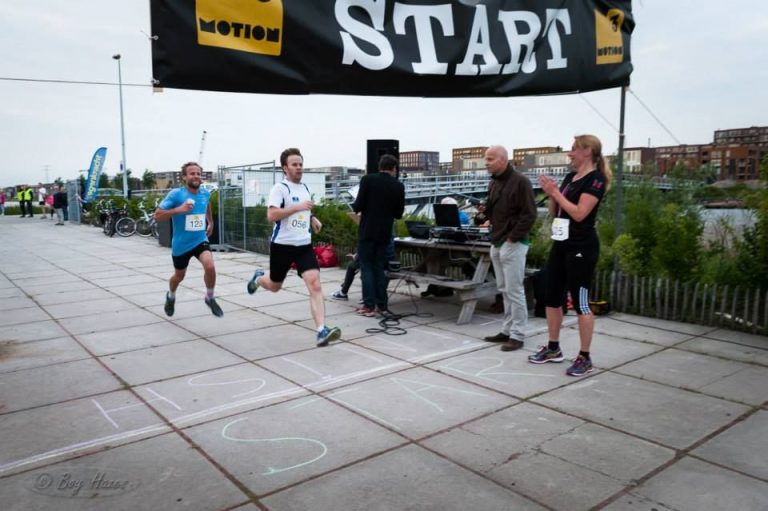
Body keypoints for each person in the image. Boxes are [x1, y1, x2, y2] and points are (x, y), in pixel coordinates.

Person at [529, 134, 610, 376]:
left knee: (581, 302)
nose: (570, 154)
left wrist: (557, 192)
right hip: (561, 244)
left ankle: (585, 356)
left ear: (587, 151)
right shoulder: (569, 177)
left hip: (581, 247)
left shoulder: (596, 180)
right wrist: (552, 193)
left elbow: (579, 214)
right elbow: (558, 213)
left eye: (574, 149)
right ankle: (553, 347)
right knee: (551, 297)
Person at [246, 148, 341, 347]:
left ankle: (321, 331)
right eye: (294, 164)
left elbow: (302, 211)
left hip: (304, 245)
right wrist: (298, 208)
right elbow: (272, 216)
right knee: (274, 286)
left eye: (300, 164)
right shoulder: (279, 189)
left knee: (315, 284)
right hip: (282, 246)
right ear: (285, 168)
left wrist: (313, 218)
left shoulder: (304, 187)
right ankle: (258, 278)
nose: (299, 168)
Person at [482, 145, 537, 351]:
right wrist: (483, 215)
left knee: (514, 291)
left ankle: (518, 334)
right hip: (497, 240)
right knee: (504, 290)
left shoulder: (521, 182)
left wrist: (513, 238)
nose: (486, 163)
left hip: (513, 242)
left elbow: (529, 214)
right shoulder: (494, 182)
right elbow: (491, 210)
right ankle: (506, 330)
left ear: (503, 160)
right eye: (485, 159)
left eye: (490, 159)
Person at [155, 162, 223, 318]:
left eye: (198, 173)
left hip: (200, 239)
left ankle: (210, 297)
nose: (196, 176)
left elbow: (206, 206)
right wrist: (180, 209)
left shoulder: (205, 193)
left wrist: (210, 222)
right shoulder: (176, 195)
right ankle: (171, 296)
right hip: (181, 245)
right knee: (179, 276)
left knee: (210, 265)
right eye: (192, 173)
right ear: (184, 177)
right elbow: (158, 215)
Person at [352, 154, 406, 316]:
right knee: (378, 268)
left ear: (379, 166)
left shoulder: (368, 180)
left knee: (366, 267)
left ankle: (368, 305)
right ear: (394, 169)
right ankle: (381, 305)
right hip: (384, 233)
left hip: (367, 231)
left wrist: (358, 206)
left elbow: (358, 205)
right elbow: (398, 214)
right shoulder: (398, 186)